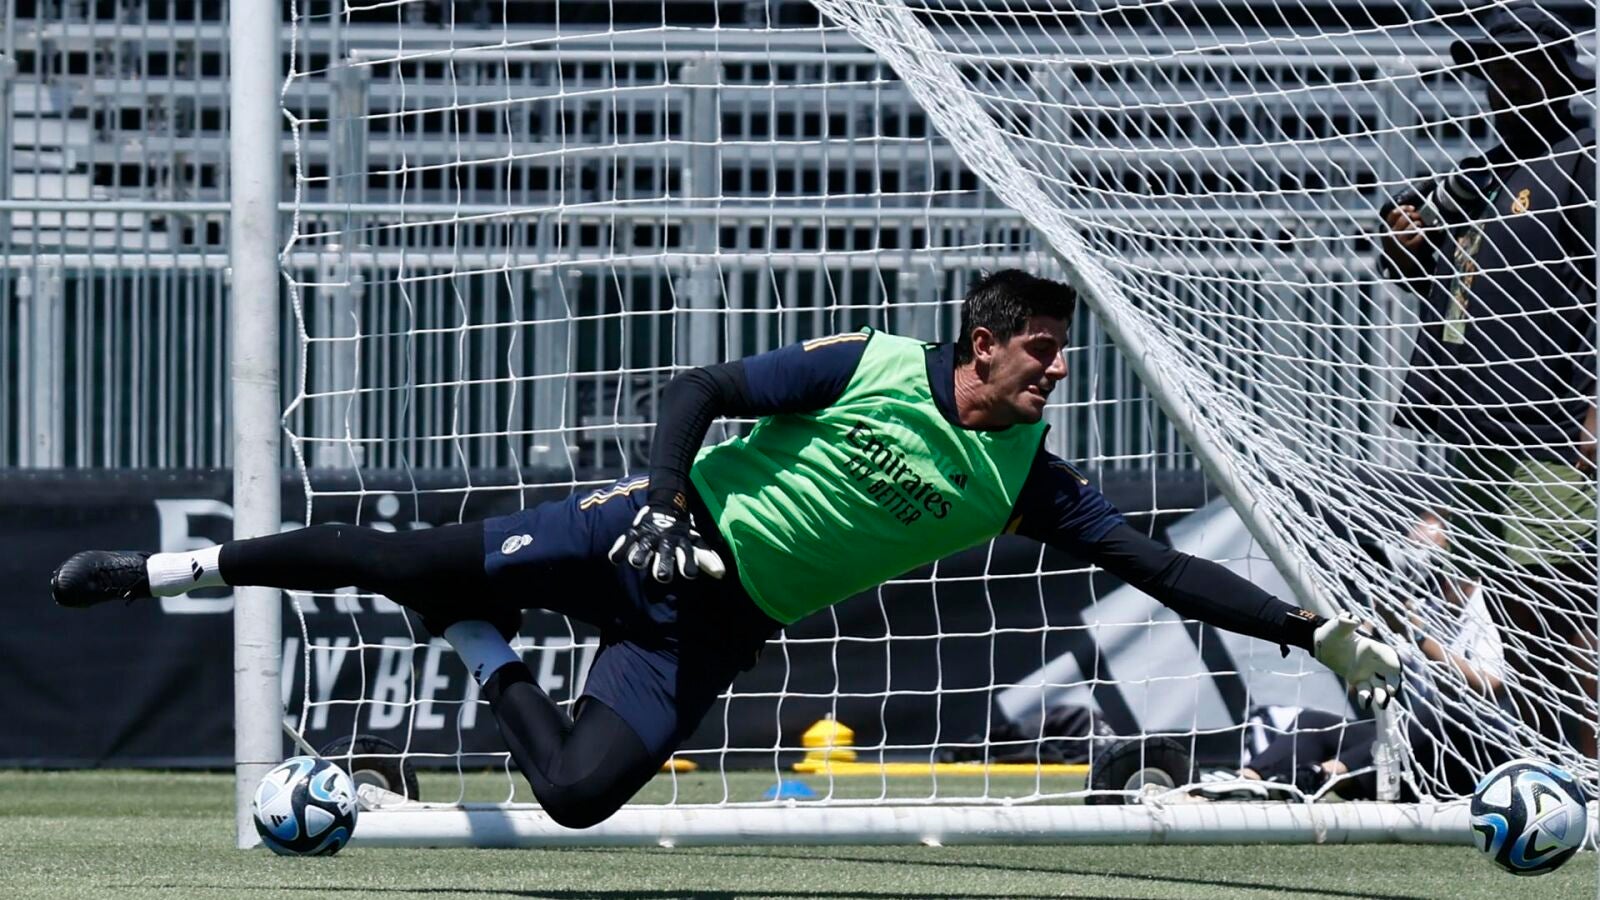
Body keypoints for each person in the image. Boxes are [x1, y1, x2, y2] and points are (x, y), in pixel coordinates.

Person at [50, 269, 1401, 829]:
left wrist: (1307, 631)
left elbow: (1161, 568)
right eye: (1041, 353)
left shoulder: (1026, 481)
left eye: (1062, 359)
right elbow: (697, 388)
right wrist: (656, 503)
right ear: (983, 343)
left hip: (712, 627)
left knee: (578, 797)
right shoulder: (875, 365)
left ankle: (476, 644)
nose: (1055, 374)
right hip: (638, 540)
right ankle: (157, 573)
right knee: (394, 558)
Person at [1381, 1, 1597, 755]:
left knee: (1565, 609)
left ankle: (1589, 774)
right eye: (1489, 75)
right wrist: (1405, 242)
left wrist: (1596, 405)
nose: (1497, 89)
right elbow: (1430, 281)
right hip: (1474, 426)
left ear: (1551, 74)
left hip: (1551, 424)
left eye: (1511, 72)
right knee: (1510, 613)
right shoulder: (1474, 174)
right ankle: (1546, 768)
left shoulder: (1583, 160)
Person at [1237, 509, 1511, 800]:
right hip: (1422, 749)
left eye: (1427, 551)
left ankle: (1323, 777)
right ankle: (1244, 783)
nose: (1420, 563)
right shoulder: (1423, 607)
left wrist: (1416, 635)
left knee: (1441, 714)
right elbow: (1356, 690)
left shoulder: (1492, 604)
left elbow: (1490, 685)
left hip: (1483, 754)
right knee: (1314, 724)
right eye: (1411, 548)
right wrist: (1372, 629)